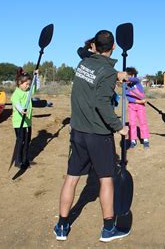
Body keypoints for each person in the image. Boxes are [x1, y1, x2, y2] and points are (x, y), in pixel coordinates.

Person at [54, 30, 130, 243]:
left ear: (95, 46)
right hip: (99, 135)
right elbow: (101, 103)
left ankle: (61, 226)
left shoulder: (83, 64)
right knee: (106, 180)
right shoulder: (107, 71)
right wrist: (118, 127)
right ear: (113, 47)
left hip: (78, 132)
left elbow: (91, 65)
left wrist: (117, 75)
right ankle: (108, 229)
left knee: (71, 178)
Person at [11, 68, 40, 169]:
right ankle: (18, 161)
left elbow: (36, 86)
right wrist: (21, 110)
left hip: (27, 122)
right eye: (26, 84)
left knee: (27, 141)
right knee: (21, 141)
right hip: (19, 122)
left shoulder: (28, 91)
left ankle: (24, 160)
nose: (28, 86)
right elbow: (17, 104)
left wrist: (36, 76)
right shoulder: (16, 93)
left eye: (29, 84)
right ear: (20, 83)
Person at [125, 67, 150, 149]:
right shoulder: (125, 86)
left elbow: (133, 79)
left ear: (132, 75)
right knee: (132, 124)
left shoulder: (137, 82)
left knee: (142, 122)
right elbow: (129, 98)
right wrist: (140, 101)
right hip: (132, 106)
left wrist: (125, 77)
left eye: (128, 76)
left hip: (140, 107)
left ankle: (145, 140)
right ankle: (133, 140)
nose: (126, 78)